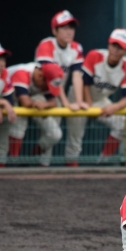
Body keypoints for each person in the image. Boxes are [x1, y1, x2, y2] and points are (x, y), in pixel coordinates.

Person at [34, 10, 88, 166]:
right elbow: (52, 78)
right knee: (52, 133)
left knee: (56, 132)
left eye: (71, 27)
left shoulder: (76, 47)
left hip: (58, 92)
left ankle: (64, 164)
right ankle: (38, 164)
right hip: (41, 93)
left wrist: (79, 101)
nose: (69, 31)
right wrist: (66, 103)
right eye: (64, 28)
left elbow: (76, 76)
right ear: (54, 31)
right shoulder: (46, 45)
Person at [76, 28, 126, 164]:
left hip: (99, 100)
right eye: (114, 45)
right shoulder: (95, 55)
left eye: (120, 47)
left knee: (122, 124)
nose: (115, 50)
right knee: (75, 138)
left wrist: (114, 107)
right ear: (108, 44)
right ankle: (70, 169)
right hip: (78, 96)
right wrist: (89, 105)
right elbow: (85, 83)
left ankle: (102, 162)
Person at [7, 62, 70, 167]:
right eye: (47, 85)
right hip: (3, 101)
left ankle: (30, 159)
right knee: (7, 139)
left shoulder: (44, 76)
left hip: (23, 100)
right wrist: (38, 104)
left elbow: (54, 102)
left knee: (55, 134)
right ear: (40, 76)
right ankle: (12, 166)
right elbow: (25, 102)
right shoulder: (22, 73)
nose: (47, 88)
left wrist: (45, 104)